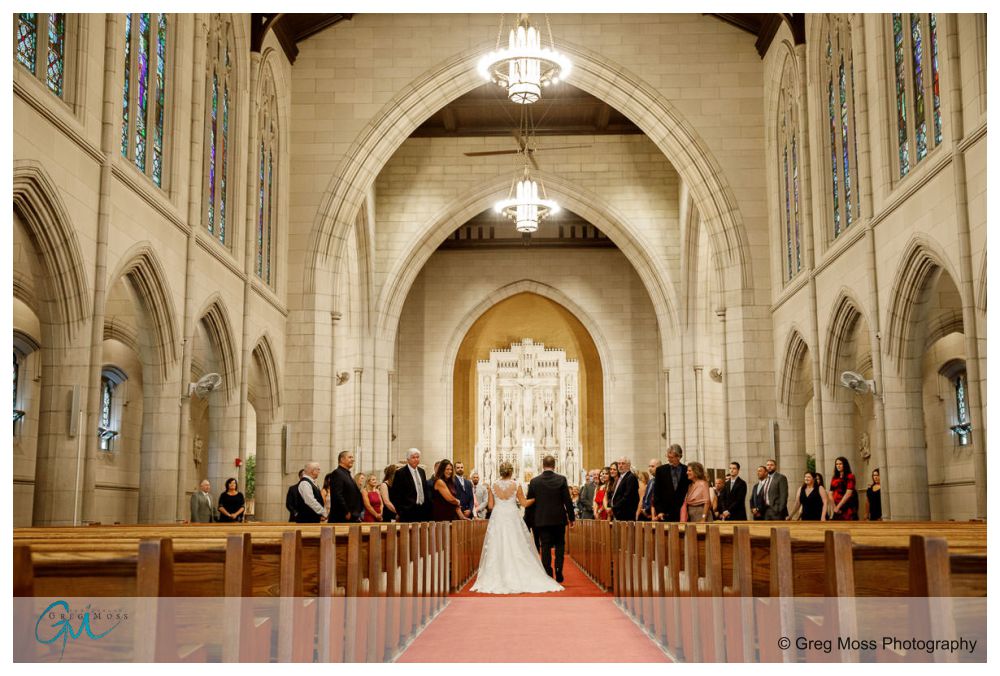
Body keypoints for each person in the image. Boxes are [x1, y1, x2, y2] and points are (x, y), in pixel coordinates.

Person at [470, 461, 564, 594]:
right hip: (512, 515)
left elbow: (490, 506)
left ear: (500, 471)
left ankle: (498, 574)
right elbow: (524, 503)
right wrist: (536, 498)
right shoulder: (516, 485)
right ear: (511, 471)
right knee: (516, 543)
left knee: (498, 544)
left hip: (498, 517)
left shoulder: (493, 485)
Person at [528, 455, 576, 582]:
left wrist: (527, 522)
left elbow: (530, 503)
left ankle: (548, 571)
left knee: (545, 546)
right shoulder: (561, 479)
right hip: (559, 520)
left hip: (542, 520)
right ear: (555, 466)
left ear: (542, 465)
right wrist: (571, 518)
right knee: (560, 544)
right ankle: (559, 569)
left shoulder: (534, 481)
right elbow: (568, 500)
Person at [652, 444, 689, 522]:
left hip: (682, 512)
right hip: (664, 513)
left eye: (671, 457)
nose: (669, 459)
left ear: (679, 457)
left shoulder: (687, 470)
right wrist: (659, 511)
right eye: (668, 457)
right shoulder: (661, 470)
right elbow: (656, 493)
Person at [390, 448, 428, 522]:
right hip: (407, 511)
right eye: (413, 457)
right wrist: (400, 511)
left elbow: (424, 490)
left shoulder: (421, 471)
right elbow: (395, 494)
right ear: (408, 459)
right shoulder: (400, 473)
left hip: (422, 510)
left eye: (417, 457)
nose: (416, 459)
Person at [326, 451, 364, 523]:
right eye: (350, 457)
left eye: (352, 457)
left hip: (351, 515)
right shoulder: (337, 473)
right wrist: (346, 511)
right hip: (342, 516)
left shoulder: (346, 474)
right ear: (342, 459)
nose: (353, 460)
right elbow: (337, 494)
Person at [610, 457, 640, 521]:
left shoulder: (631, 477)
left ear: (628, 465)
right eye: (619, 464)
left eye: (623, 464)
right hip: (619, 513)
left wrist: (614, 507)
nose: (620, 466)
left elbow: (627, 497)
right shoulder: (621, 477)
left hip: (626, 514)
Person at [829, 456, 859, 520]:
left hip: (847, 506)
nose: (838, 466)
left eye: (840, 464)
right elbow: (830, 493)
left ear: (844, 465)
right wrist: (834, 507)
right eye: (836, 464)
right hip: (836, 506)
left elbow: (848, 494)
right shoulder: (834, 477)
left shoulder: (850, 476)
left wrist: (838, 507)